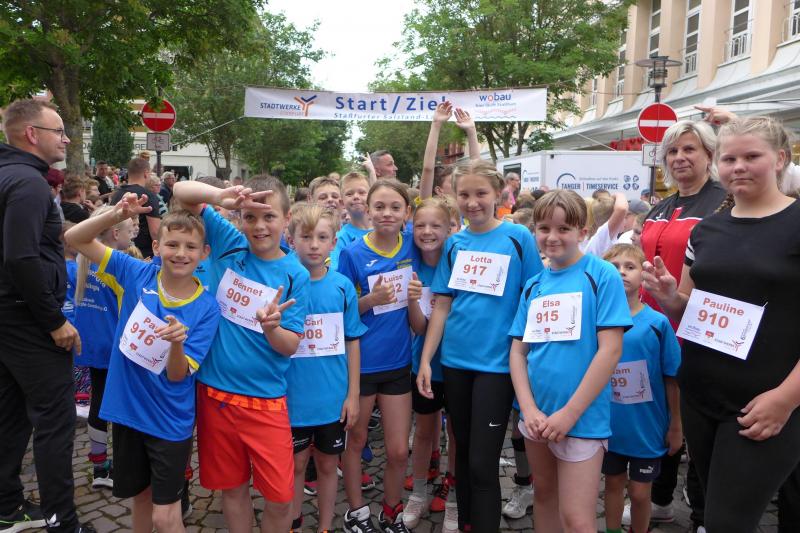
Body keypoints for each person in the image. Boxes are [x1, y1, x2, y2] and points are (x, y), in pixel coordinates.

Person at [643, 116, 800, 533]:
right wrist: (670, 299)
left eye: (752, 156)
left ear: (780, 158)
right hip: (701, 396)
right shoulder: (708, 230)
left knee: (726, 522)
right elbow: (690, 310)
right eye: (730, 159)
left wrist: (786, 398)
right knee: (713, 512)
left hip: (766, 401)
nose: (739, 167)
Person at [66, 201, 219, 533]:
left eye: (191, 247)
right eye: (173, 244)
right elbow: (75, 238)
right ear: (157, 246)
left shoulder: (207, 308)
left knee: (165, 516)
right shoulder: (135, 272)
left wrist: (176, 343)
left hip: (169, 421)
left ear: (204, 253)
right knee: (140, 499)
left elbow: (177, 374)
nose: (181, 253)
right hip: (128, 413)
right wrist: (116, 215)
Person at [173, 176, 309, 533]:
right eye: (250, 217)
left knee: (280, 497)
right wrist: (223, 197)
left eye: (269, 217)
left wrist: (272, 328)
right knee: (232, 489)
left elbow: (291, 345)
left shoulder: (295, 274)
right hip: (215, 395)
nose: (259, 226)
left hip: (265, 400)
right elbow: (181, 192)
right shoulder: (229, 243)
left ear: (287, 218)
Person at [417, 160, 543, 532]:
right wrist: (427, 360)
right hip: (455, 363)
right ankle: (467, 524)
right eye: (464, 194)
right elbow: (442, 305)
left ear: (499, 193)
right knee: (464, 454)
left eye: (481, 193)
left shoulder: (518, 238)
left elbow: (535, 296)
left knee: (482, 464)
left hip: (498, 366)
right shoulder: (454, 244)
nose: (472, 202)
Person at [508, 190, 631, 533]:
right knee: (544, 496)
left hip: (582, 419)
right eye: (544, 228)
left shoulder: (601, 274)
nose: (552, 237)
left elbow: (610, 350)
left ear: (583, 232)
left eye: (563, 228)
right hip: (537, 417)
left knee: (577, 519)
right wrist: (528, 409)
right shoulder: (533, 285)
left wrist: (570, 413)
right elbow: (518, 352)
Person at [0, 98, 95, 533]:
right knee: (55, 423)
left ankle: (8, 506)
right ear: (31, 134)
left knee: (11, 414)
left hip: (9, 317)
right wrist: (54, 321)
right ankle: (64, 522)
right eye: (59, 131)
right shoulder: (28, 183)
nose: (66, 139)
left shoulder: (10, 174)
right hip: (28, 320)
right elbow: (21, 258)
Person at [636, 120, 726, 531]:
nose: (679, 158)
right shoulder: (661, 206)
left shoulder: (723, 203)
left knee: (697, 423)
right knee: (660, 412)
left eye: (689, 149)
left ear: (709, 154)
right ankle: (659, 498)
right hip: (652, 326)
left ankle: (704, 514)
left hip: (699, 327)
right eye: (673, 151)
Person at [337, 180, 419, 533]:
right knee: (355, 442)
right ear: (368, 211)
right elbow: (338, 311)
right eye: (380, 206)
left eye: (395, 207)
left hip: (399, 363)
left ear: (406, 213)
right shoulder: (352, 253)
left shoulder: (413, 244)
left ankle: (391, 512)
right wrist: (370, 301)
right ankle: (356, 512)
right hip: (362, 366)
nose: (387, 213)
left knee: (399, 450)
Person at [285, 205, 366, 533]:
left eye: (322, 237)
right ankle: (292, 522)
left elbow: (352, 341)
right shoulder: (284, 283)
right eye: (306, 237)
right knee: (296, 465)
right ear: (291, 240)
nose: (314, 245)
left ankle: (325, 526)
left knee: (328, 465)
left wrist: (353, 395)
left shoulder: (342, 287)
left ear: (334, 242)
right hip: (292, 398)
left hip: (332, 399)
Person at [601, 244, 681, 533]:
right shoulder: (597, 321)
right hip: (609, 425)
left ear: (643, 276)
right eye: (614, 267)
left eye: (630, 266)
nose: (621, 272)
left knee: (639, 493)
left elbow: (672, 377)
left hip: (646, 426)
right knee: (612, 484)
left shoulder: (658, 323)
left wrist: (676, 425)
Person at [403, 197, 460, 532]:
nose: (427, 231)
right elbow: (421, 327)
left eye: (436, 225)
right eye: (420, 225)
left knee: (455, 434)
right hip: (423, 363)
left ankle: (452, 497)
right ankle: (419, 493)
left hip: (458, 363)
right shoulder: (411, 266)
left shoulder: (459, 262)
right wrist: (413, 301)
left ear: (450, 229)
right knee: (424, 431)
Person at [72, 206, 135, 490]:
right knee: (119, 405)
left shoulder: (82, 260)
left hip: (91, 342)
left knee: (97, 402)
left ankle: (99, 466)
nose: (134, 233)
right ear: (115, 232)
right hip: (114, 344)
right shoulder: (118, 264)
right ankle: (123, 466)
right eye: (130, 228)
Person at [419, 102, 480, 202]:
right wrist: (436, 124)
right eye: (453, 182)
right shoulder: (430, 208)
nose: (460, 186)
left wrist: (471, 130)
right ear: (439, 190)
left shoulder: (470, 209)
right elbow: (428, 168)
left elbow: (477, 170)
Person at [110, 158, 161, 258]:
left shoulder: (116, 194)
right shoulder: (148, 196)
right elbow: (155, 232)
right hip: (143, 254)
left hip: (117, 250)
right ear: (146, 173)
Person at [330, 172, 372, 270]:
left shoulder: (382, 229)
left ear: (371, 198)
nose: (356, 196)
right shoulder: (340, 238)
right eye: (349, 194)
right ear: (342, 203)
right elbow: (335, 270)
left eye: (362, 192)